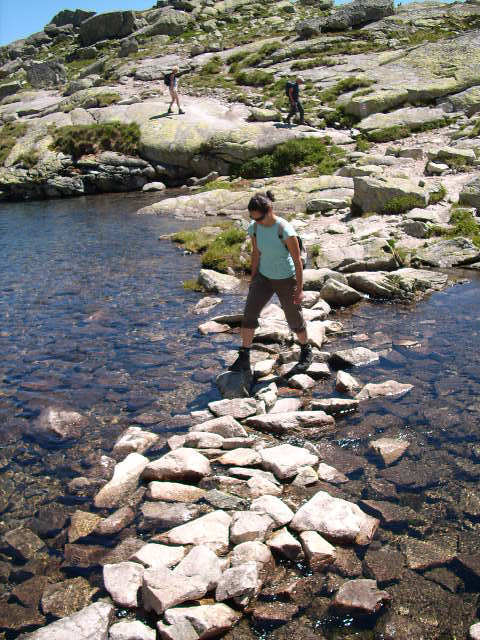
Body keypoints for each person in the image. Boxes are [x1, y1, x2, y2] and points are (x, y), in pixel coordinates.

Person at [229, 191, 312, 374]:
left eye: (259, 218)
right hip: (264, 277)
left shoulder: (285, 230)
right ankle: (244, 356)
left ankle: (306, 350)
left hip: (285, 279)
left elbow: (297, 261)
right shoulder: (255, 228)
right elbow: (256, 252)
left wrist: (299, 288)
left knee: (294, 319)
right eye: (253, 218)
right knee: (249, 315)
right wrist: (253, 278)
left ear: (270, 210)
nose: (256, 222)